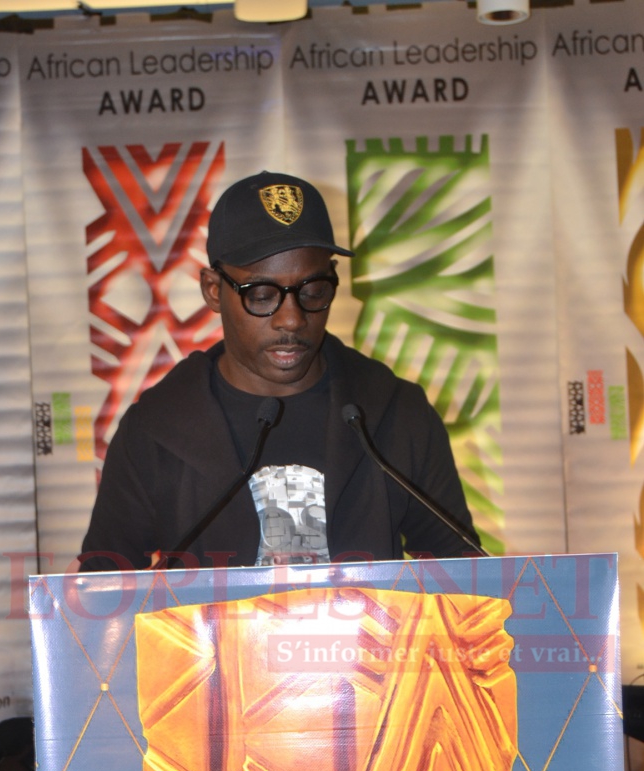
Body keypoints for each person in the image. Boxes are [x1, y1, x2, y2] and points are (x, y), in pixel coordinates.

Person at [80, 171, 478, 573]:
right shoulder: (156, 428)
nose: (292, 319)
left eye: (313, 291)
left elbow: (464, 573)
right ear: (213, 290)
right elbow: (100, 587)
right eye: (261, 295)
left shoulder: (396, 412)